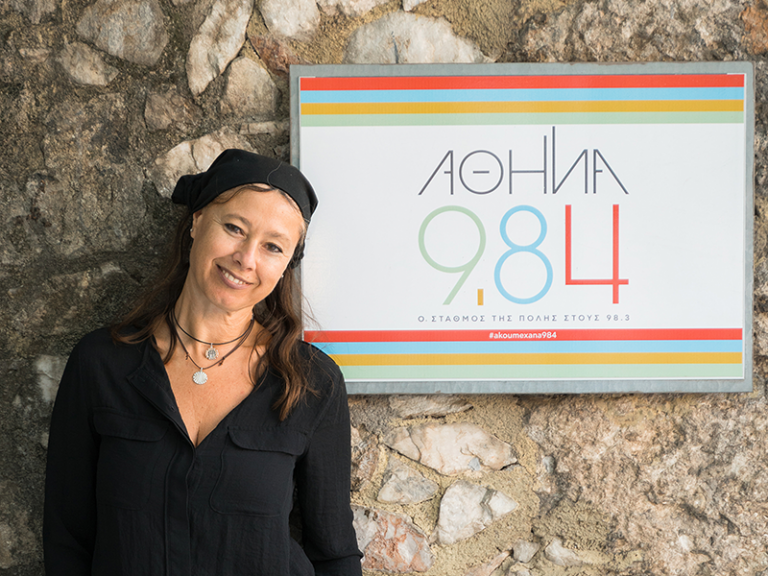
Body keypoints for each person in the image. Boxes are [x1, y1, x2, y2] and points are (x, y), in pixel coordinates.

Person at [43, 150, 363, 576]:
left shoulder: (313, 383)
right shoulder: (100, 364)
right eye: (234, 228)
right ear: (196, 221)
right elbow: (67, 540)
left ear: (287, 264)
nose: (246, 258)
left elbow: (334, 553)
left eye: (272, 246)